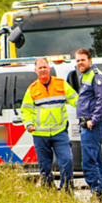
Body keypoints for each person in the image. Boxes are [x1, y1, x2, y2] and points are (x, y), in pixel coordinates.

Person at [21, 57, 79, 192]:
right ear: (35, 71)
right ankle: (49, 191)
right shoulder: (32, 89)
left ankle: (67, 190)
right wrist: (28, 124)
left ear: (49, 68)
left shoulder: (61, 84)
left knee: (67, 161)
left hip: (60, 132)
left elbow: (76, 100)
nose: (42, 70)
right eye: (40, 68)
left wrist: (89, 112)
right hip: (40, 134)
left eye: (44, 67)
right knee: (45, 167)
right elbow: (25, 110)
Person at [75, 48, 102, 200]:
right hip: (87, 123)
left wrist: (93, 120)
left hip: (92, 124)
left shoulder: (97, 77)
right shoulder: (85, 76)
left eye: (82, 60)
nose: (80, 63)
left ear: (90, 60)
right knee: (96, 158)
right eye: (77, 61)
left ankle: (97, 192)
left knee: (89, 160)